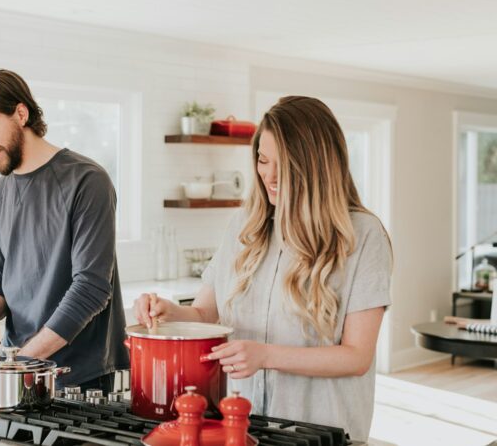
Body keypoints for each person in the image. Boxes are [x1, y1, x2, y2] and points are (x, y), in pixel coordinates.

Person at [134, 96, 392, 441]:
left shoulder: (362, 235)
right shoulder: (244, 226)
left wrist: (267, 356)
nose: (269, 176)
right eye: (262, 160)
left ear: (316, 165)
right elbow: (206, 313)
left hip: (319, 431)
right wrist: (171, 313)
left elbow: (356, 356)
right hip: (241, 427)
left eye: (282, 164)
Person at [0, 69, 129, 393]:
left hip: (78, 378)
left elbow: (91, 288)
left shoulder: (87, 181)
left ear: (21, 113)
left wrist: (18, 364)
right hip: (16, 368)